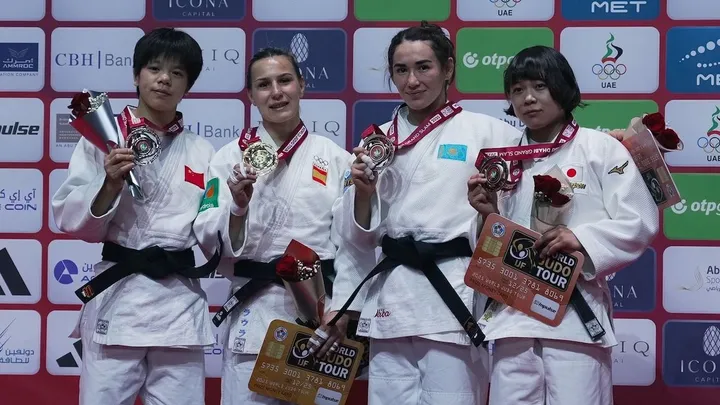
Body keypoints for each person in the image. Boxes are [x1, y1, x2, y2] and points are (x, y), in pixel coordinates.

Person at [320, 21, 523, 405]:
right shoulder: (376, 141)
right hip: (391, 299)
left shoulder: (491, 134)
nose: (412, 81)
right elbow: (353, 239)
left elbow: (520, 207)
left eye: (423, 67)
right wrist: (363, 194)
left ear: (448, 69)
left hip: (453, 296)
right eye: (401, 70)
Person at [467, 45, 659, 405]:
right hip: (512, 319)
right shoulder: (502, 161)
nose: (528, 99)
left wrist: (580, 238)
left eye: (539, 86)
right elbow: (491, 246)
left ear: (563, 87)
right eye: (517, 90)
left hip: (575, 316)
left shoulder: (600, 149)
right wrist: (487, 215)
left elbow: (638, 221)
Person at [51, 28, 221, 405]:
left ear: (188, 86)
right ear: (136, 75)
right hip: (119, 299)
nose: (164, 79)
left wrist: (236, 209)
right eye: (154, 68)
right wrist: (110, 183)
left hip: (178, 306)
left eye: (177, 73)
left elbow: (211, 229)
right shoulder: (103, 139)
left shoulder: (202, 151)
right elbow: (69, 218)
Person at [191, 47, 363, 405]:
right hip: (255, 313)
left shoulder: (335, 158)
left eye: (285, 80)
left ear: (302, 85)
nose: (276, 92)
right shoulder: (228, 158)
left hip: (320, 319)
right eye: (264, 84)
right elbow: (207, 235)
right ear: (251, 95)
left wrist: (343, 308)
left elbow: (352, 242)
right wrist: (238, 207)